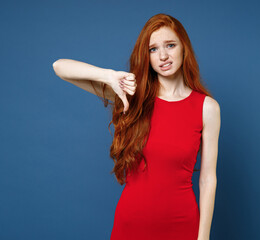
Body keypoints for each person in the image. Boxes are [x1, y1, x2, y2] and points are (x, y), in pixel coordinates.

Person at [53, 13, 220, 240]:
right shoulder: (132, 96)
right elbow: (60, 67)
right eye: (153, 49)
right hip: (131, 224)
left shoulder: (207, 108)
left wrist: (203, 237)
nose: (163, 56)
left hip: (182, 225)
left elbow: (208, 179)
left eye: (170, 45)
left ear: (184, 48)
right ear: (147, 56)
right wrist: (109, 76)